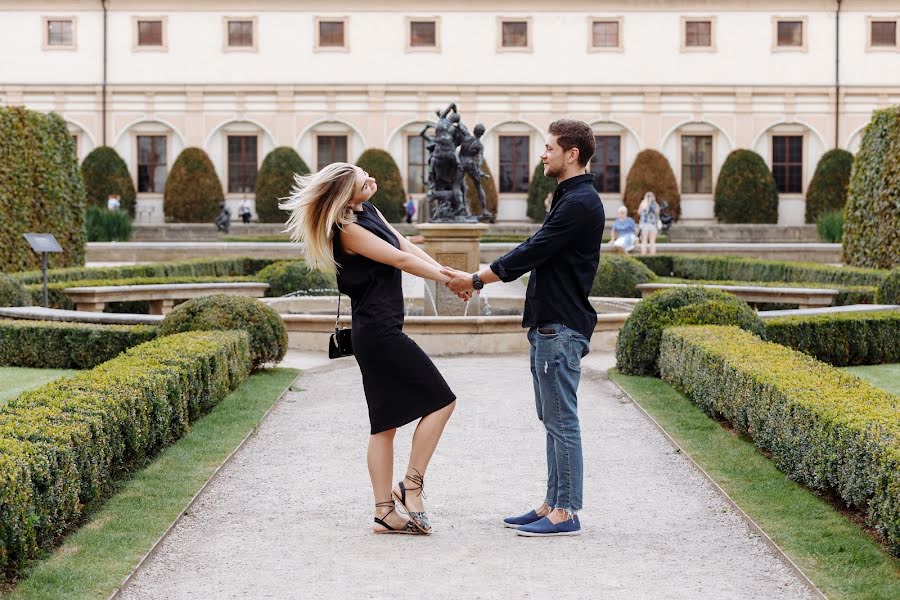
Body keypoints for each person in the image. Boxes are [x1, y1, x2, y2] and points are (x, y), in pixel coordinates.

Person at [280, 162, 461, 535]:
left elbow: (406, 244)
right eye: (364, 177)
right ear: (347, 192)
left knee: (384, 425)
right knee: (442, 401)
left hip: (380, 329)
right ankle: (411, 486)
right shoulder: (348, 231)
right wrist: (450, 279)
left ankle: (384, 512)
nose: (371, 177)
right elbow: (399, 259)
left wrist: (450, 275)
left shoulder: (370, 212)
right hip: (378, 334)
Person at [444, 119, 605, 537]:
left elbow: (533, 250)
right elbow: (540, 249)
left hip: (560, 326)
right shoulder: (570, 197)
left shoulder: (580, 202)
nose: (543, 153)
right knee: (552, 419)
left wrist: (477, 279)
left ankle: (566, 511)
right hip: (550, 325)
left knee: (562, 420)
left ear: (572, 154)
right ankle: (553, 502)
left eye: (549, 147)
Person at [638, 191, 661, 256]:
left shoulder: (643, 203)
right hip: (653, 225)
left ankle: (643, 256)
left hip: (645, 225)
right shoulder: (655, 204)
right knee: (652, 242)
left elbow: (639, 212)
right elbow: (658, 213)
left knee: (644, 241)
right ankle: (652, 256)